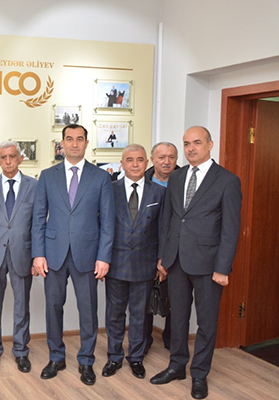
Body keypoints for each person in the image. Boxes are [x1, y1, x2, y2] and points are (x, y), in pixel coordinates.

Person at [150, 126, 242, 400]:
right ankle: (177, 365)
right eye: (187, 143)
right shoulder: (177, 177)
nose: (191, 148)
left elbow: (230, 229)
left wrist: (222, 268)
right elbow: (168, 219)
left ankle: (199, 374)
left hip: (209, 265)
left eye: (197, 143)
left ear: (210, 145)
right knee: (178, 318)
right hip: (176, 261)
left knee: (206, 322)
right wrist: (163, 257)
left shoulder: (227, 180)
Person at [32, 124, 114, 385]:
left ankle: (86, 360)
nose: (75, 144)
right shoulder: (47, 176)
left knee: (88, 311)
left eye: (80, 139)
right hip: (53, 254)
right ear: (62, 143)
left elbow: (108, 222)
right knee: (53, 308)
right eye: (69, 139)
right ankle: (56, 357)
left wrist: (104, 256)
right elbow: (38, 218)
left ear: (87, 143)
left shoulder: (100, 177)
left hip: (88, 255)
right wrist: (38, 254)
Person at [102, 144, 166, 380]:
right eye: (130, 160)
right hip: (115, 262)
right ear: (122, 164)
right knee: (115, 314)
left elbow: (163, 229)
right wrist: (102, 259)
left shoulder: (159, 193)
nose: (135, 164)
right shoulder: (109, 190)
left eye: (140, 160)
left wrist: (161, 260)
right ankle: (114, 356)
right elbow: (102, 226)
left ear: (147, 163)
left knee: (140, 315)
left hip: (145, 264)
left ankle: (136, 358)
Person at [0, 141, 36, 373]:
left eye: (12, 156)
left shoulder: (34, 186)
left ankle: (21, 351)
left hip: (22, 253)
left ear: (20, 158)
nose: (8, 161)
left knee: (21, 306)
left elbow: (38, 224)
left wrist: (37, 256)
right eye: (3, 157)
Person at [143, 141, 180, 353]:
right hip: (147, 250)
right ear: (152, 159)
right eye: (161, 157)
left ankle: (172, 340)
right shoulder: (142, 180)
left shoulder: (185, 180)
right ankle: (144, 340)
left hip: (177, 250)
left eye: (171, 157)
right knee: (144, 298)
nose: (167, 162)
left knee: (177, 298)